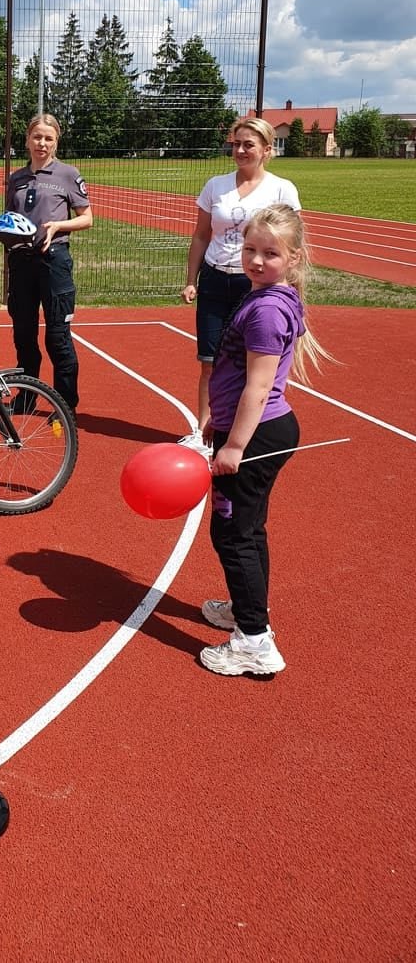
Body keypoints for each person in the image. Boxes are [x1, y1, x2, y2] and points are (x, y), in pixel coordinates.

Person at [199, 204, 331, 677]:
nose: (256, 260)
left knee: (233, 534)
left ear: (293, 257)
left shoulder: (267, 311)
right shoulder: (273, 297)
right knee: (249, 530)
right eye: (250, 249)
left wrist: (234, 445)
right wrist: (218, 420)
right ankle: (247, 610)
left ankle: (253, 641)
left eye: (270, 253)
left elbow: (257, 387)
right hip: (255, 429)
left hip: (255, 436)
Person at [179, 117, 301, 454]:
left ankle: (246, 430)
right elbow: (201, 235)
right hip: (216, 279)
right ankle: (203, 431)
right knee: (209, 360)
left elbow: (291, 240)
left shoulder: (282, 189)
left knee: (250, 362)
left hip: (255, 286)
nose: (241, 150)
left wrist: (287, 287)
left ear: (267, 150)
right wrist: (191, 280)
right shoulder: (215, 185)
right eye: (236, 144)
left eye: (249, 144)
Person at [3, 113, 93, 414]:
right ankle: (27, 397)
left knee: (57, 338)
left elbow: (87, 218)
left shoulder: (68, 174)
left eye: (48, 138)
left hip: (54, 261)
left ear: (56, 142)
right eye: (37, 137)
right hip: (21, 262)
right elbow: (11, 218)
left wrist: (58, 226)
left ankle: (65, 405)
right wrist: (4, 231)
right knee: (23, 335)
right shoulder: (16, 178)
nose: (42, 143)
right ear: (28, 140)